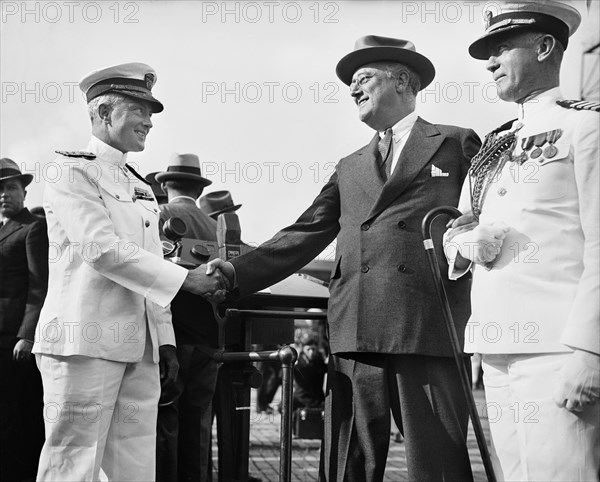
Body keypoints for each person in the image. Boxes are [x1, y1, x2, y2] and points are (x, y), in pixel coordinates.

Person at [209, 35, 481, 481]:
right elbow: (308, 230)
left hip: (428, 327)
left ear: (402, 81)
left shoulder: (455, 143)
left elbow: (485, 220)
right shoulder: (350, 164)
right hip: (356, 331)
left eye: (363, 78)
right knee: (348, 466)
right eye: (351, 83)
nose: (353, 90)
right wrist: (236, 272)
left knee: (439, 465)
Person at [32, 62, 226, 482]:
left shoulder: (138, 184)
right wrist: (189, 280)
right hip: (83, 343)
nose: (149, 122)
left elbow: (148, 267)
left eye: (151, 113)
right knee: (73, 467)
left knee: (134, 470)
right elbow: (101, 249)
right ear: (104, 113)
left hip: (139, 349)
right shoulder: (69, 170)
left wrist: (166, 345)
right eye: (140, 109)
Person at [445, 2, 599, 480]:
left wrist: (591, 353)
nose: (490, 63)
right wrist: (464, 244)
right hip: (495, 346)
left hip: (558, 349)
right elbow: (458, 227)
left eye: (501, 48)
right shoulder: (495, 145)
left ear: (544, 46)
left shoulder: (586, 126)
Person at [155, 153, 219, 482]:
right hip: (207, 335)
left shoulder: (161, 213)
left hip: (172, 334)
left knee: (166, 419)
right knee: (198, 423)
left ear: (164, 185)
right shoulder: (215, 225)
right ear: (197, 188)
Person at [0, 158, 48, 482]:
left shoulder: (32, 227)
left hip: (14, 339)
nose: (5, 194)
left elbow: (39, 284)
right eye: (0, 189)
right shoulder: (4, 229)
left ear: (24, 192)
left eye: (11, 188)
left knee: (17, 416)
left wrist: (27, 335)